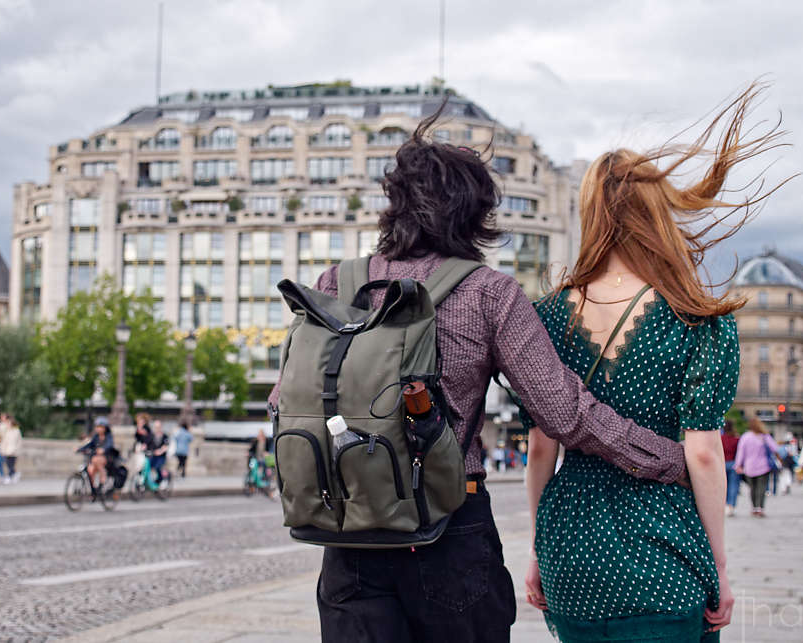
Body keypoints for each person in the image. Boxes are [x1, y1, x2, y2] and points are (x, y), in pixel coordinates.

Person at [269, 102, 695, 643]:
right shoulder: (488, 292)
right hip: (447, 527)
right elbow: (565, 413)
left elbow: (285, 400)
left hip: (350, 535)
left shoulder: (335, 282)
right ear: (475, 213)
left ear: (393, 206)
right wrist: (671, 459)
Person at [521, 82, 785, 643]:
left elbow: (542, 446)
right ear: (656, 213)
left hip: (573, 559)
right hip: (664, 560)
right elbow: (705, 455)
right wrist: (719, 569)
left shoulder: (543, 317)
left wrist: (540, 550)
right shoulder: (698, 317)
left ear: (590, 212)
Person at [735, 418, 779, 516]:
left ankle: (754, 507)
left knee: (752, 488)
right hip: (763, 466)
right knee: (761, 488)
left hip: (749, 467)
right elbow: (775, 448)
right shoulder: (764, 436)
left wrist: (738, 465)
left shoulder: (745, 437)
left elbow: (741, 452)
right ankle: (760, 508)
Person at [80, 417, 114, 490]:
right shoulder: (96, 436)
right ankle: (93, 489)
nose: (98, 429)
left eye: (100, 427)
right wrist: (80, 449)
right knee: (90, 470)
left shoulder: (108, 436)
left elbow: (110, 445)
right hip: (96, 460)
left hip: (106, 458)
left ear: (105, 428)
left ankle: (103, 477)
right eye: (97, 427)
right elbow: (90, 445)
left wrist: (103, 449)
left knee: (95, 459)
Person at [721, 420, 741, 516]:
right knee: (733, 486)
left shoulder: (720, 439)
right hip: (733, 463)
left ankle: (723, 505)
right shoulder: (736, 439)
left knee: (722, 486)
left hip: (722, 464)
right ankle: (731, 506)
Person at [0, 415, 23, 484]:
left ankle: (9, 477)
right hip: (6, 451)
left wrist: (16, 449)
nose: (8, 424)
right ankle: (15, 474)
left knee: (11, 465)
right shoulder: (5, 430)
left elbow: (18, 441)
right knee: (8, 464)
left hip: (14, 451)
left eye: (9, 423)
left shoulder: (16, 431)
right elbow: (2, 439)